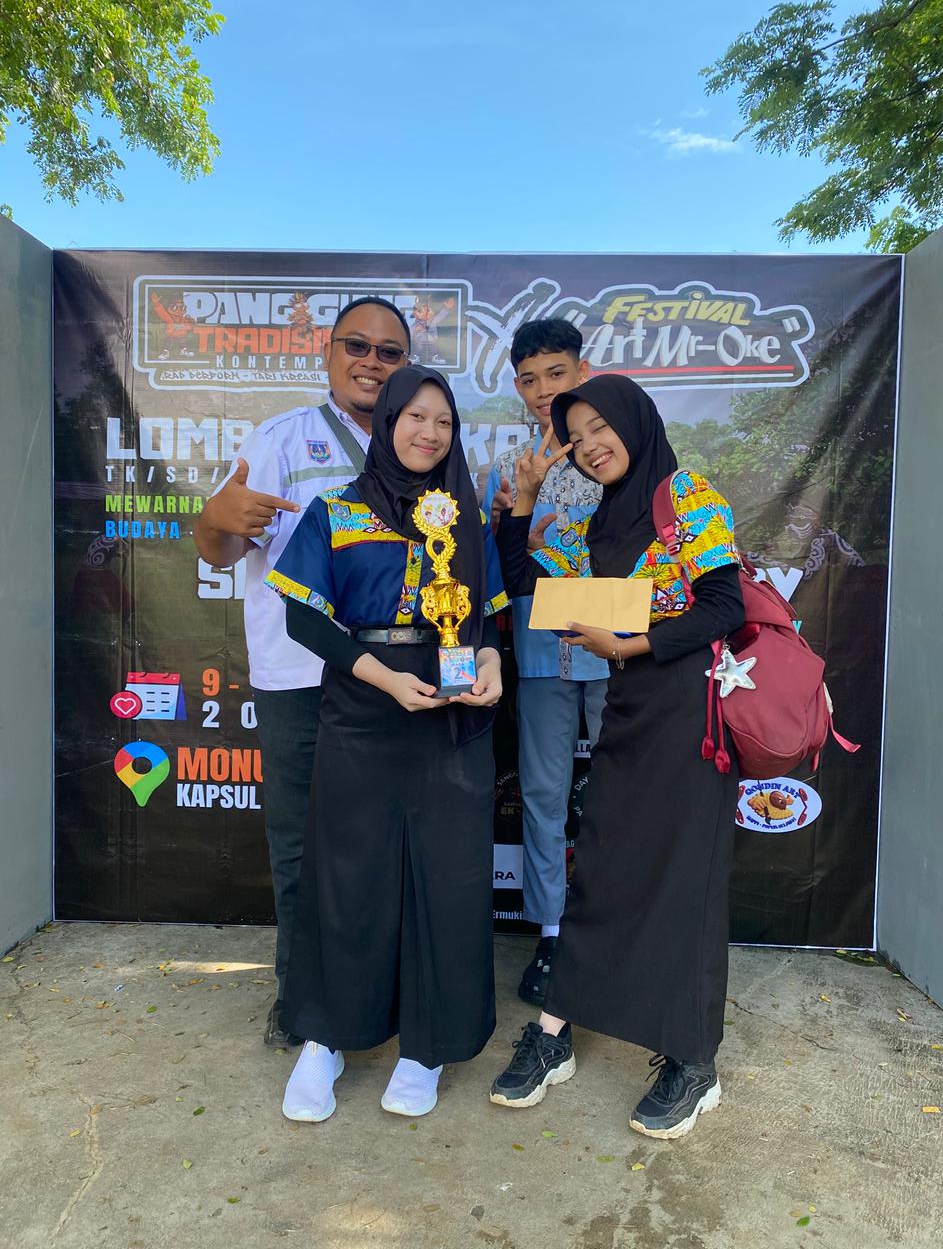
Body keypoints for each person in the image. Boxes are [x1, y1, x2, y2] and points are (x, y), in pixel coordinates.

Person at [488, 374, 744, 1139]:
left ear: (635, 421)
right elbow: (526, 580)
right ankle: (554, 1034)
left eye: (601, 426)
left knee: (683, 884)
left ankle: (693, 1063)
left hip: (691, 718)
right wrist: (525, 504)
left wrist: (630, 645)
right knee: (599, 869)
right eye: (576, 437)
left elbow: (724, 605)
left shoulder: (686, 497)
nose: (591, 445)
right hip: (629, 716)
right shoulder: (596, 522)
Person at [265, 366, 508, 1122]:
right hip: (364, 706)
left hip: (451, 714)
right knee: (349, 874)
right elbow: (304, 618)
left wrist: (492, 666)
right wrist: (385, 680)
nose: (429, 433)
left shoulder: (464, 515)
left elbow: (485, 619)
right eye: (415, 417)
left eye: (444, 421)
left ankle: (427, 1046)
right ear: (387, 420)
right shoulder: (337, 510)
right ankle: (326, 1039)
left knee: (447, 879)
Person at [193, 296, 411, 1047]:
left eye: (389, 352)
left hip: (394, 679)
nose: (371, 362)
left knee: (384, 844)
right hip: (299, 679)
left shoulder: (420, 442)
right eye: (357, 346)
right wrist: (216, 520)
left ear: (405, 366)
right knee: (299, 847)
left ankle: (382, 994)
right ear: (327, 353)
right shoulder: (281, 438)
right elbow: (220, 546)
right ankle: (300, 997)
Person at [482, 319, 607, 1005]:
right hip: (538, 654)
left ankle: (617, 927)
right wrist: (508, 524)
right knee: (541, 795)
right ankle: (552, 933)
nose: (542, 390)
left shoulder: (619, 453)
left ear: (582, 372)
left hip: (619, 654)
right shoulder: (507, 470)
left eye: (556, 373)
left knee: (625, 793)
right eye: (529, 380)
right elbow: (492, 571)